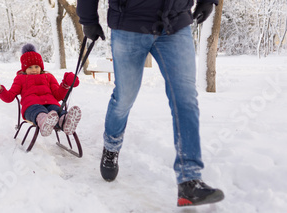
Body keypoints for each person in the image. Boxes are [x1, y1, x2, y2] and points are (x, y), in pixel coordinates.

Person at [77, 0, 224, 207]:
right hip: (129, 24)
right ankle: (111, 145)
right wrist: (88, 18)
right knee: (125, 97)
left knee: (186, 99)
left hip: (176, 23)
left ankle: (189, 180)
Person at [0, 44, 82, 137]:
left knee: (57, 110)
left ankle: (65, 121)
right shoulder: (20, 79)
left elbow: (58, 95)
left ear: (41, 67)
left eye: (36, 67)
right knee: (39, 111)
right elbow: (9, 97)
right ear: (24, 68)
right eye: (30, 67)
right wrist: (0, 89)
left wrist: (66, 84)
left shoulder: (48, 77)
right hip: (31, 107)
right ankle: (43, 122)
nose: (34, 70)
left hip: (51, 105)